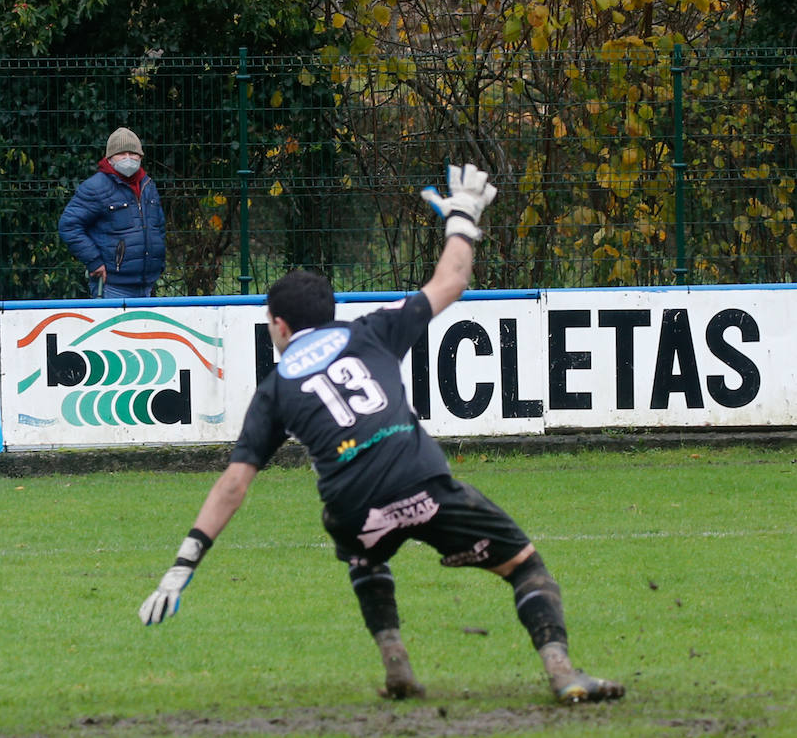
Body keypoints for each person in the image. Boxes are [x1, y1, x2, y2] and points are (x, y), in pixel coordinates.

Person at [137, 164, 626, 707]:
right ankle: (562, 673)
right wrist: (462, 219)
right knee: (525, 565)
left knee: (363, 556)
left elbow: (234, 484)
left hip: (353, 509)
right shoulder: (370, 331)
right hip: (420, 481)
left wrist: (182, 566)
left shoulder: (274, 390)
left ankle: (398, 669)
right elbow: (452, 281)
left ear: (278, 325)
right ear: (331, 314)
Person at [58, 127, 166, 298]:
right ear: (110, 158)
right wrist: (94, 261)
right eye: (122, 154)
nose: (128, 159)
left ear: (141, 157)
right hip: (112, 286)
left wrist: (159, 263)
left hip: (147, 285)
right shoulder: (95, 187)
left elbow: (158, 226)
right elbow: (69, 225)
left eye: (133, 153)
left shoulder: (148, 186)